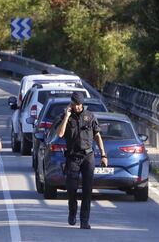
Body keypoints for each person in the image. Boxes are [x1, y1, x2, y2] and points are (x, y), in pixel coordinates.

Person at [57, 91, 108, 229]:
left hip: (88, 157)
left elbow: (97, 136)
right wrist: (67, 116)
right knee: (71, 189)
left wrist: (103, 154)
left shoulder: (90, 116)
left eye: (80, 105)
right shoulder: (66, 116)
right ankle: (72, 211)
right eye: (75, 105)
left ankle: (84, 220)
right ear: (71, 104)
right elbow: (60, 134)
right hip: (73, 157)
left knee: (87, 189)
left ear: (82, 104)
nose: (78, 107)